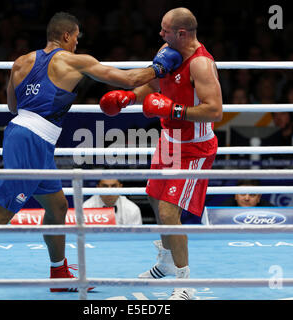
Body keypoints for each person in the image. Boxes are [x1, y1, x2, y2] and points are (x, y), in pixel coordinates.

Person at [0, 11, 183, 300]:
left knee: (57, 207)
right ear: (66, 36)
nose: (78, 42)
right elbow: (128, 79)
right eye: (77, 37)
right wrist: (160, 67)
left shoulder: (20, 62)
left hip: (23, 135)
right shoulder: (75, 61)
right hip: (32, 142)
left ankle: (59, 273)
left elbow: (13, 107)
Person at [99, 7, 223, 300]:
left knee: (169, 212)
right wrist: (130, 97)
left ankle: (185, 283)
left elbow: (215, 109)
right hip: (169, 140)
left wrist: (172, 109)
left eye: (165, 30)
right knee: (154, 198)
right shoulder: (167, 52)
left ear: (182, 33)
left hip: (194, 147)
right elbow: (152, 85)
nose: (160, 34)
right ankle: (166, 261)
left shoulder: (201, 64)